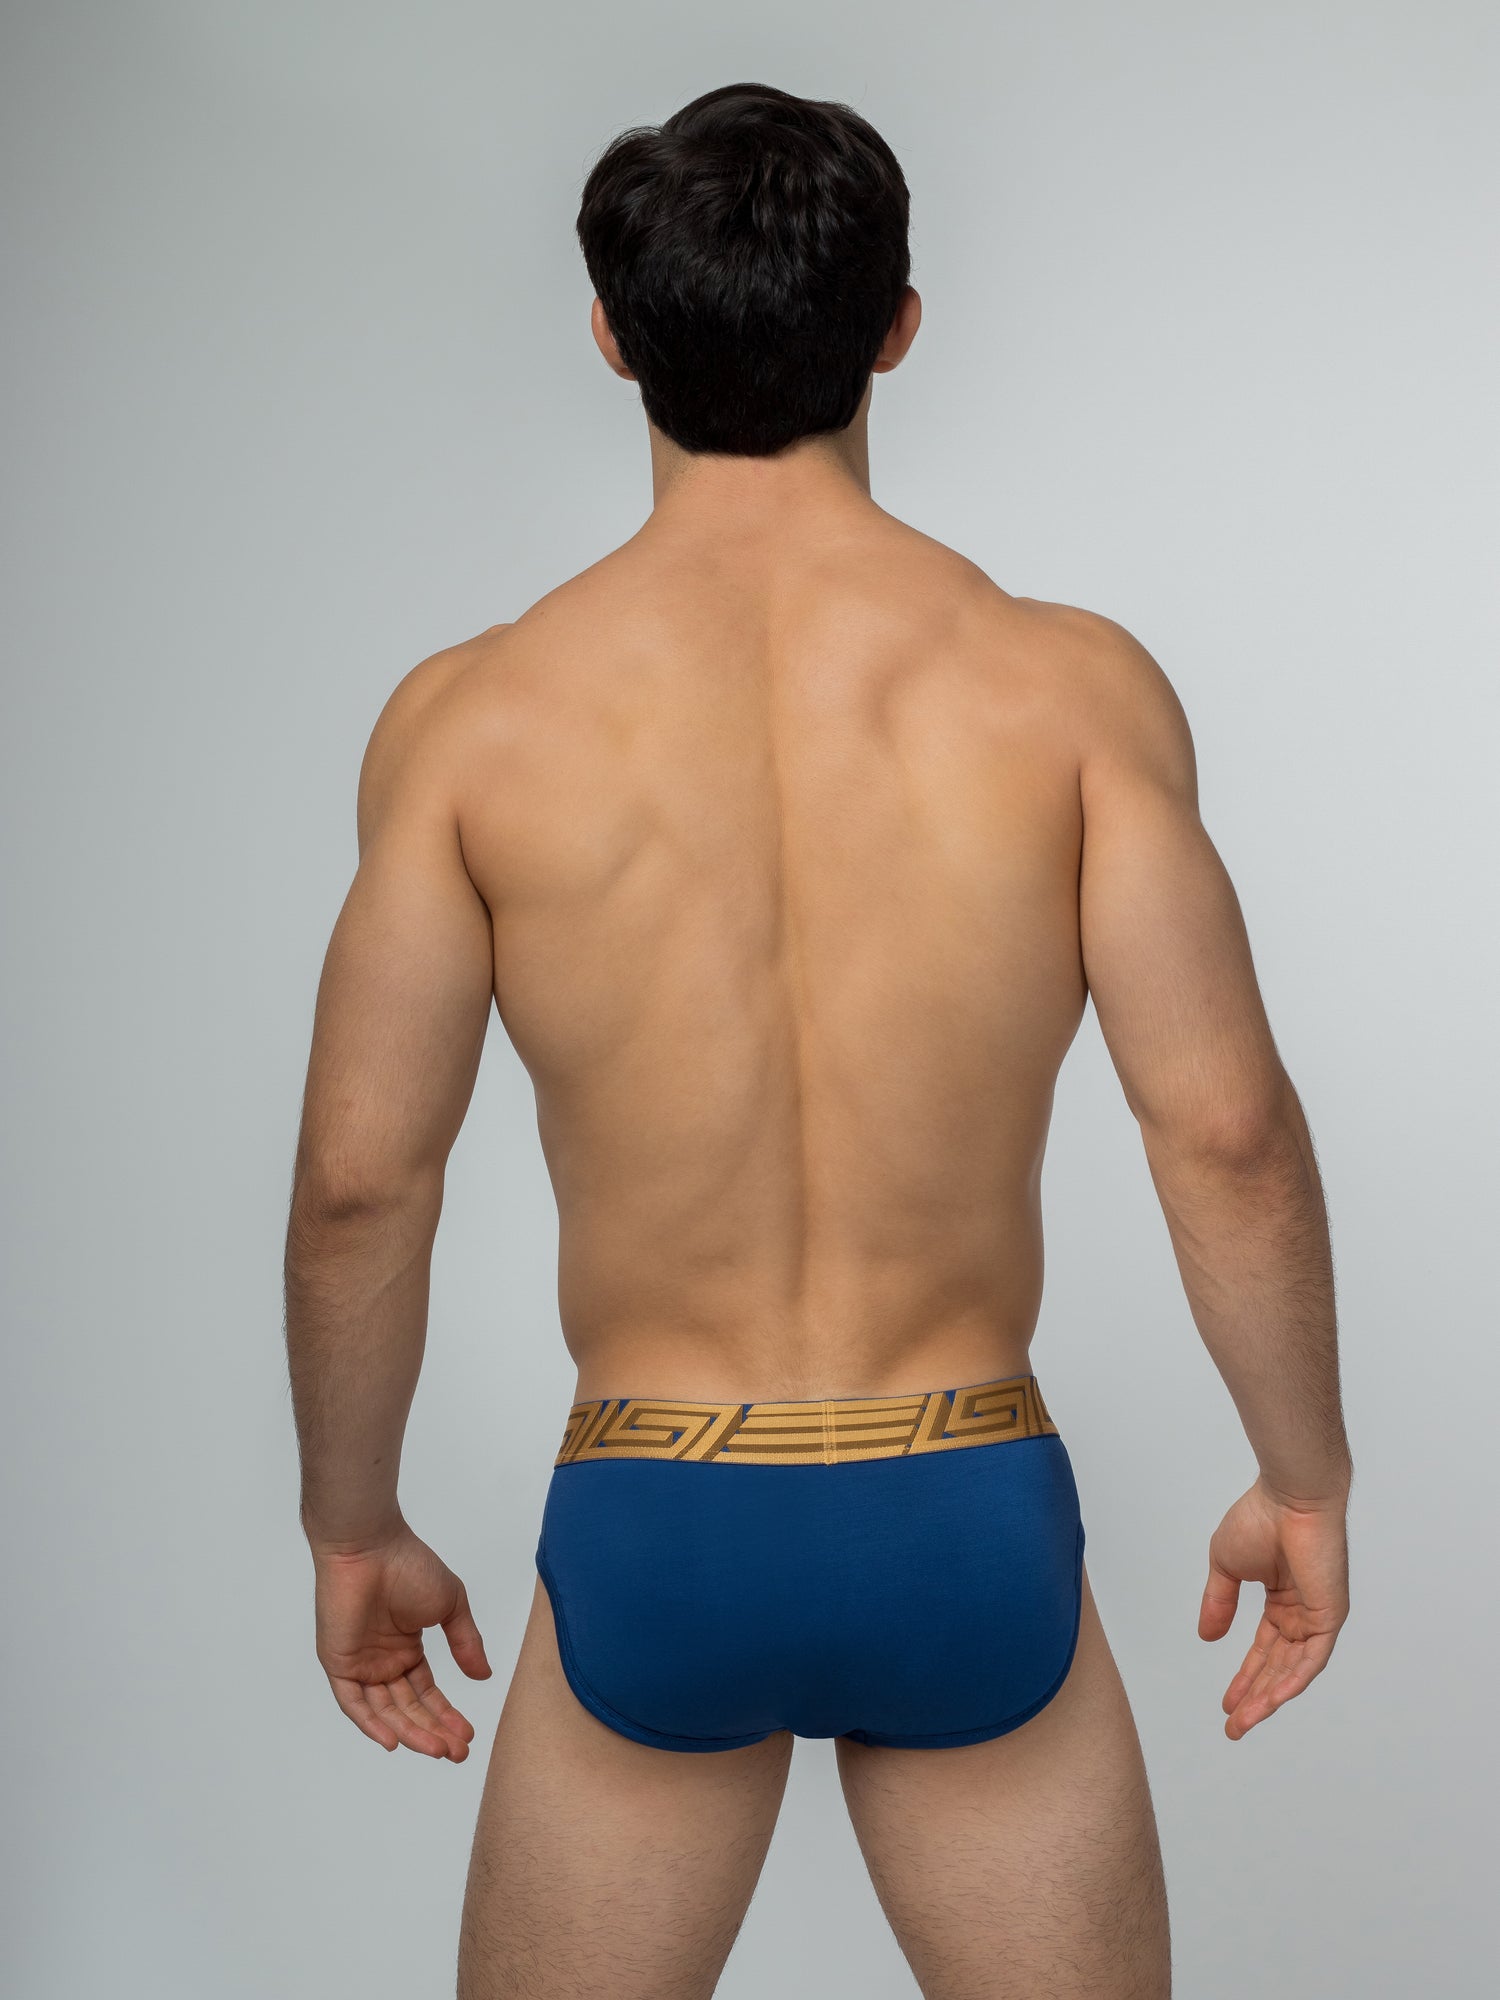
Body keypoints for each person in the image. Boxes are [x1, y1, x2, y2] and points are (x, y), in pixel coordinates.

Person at [284, 81, 1352, 2000]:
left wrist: (349, 1527)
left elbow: (364, 1182)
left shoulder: (471, 725)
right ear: (898, 326)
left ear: (612, 338)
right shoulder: (1068, 692)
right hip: (961, 1485)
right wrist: (1306, 1480)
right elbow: (1225, 1132)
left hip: (656, 1498)